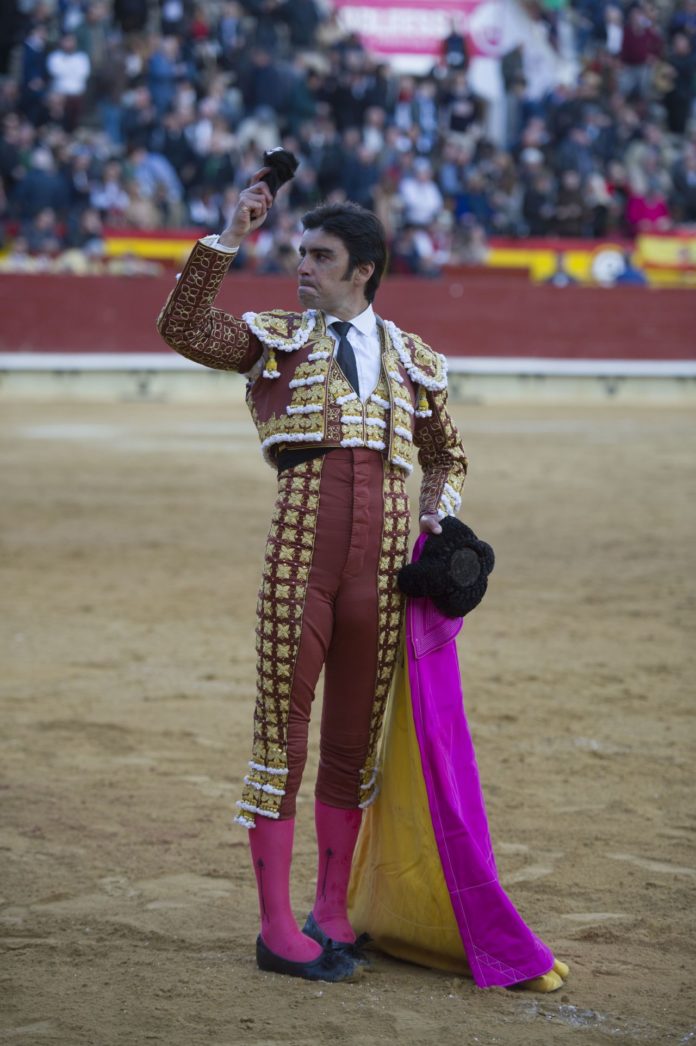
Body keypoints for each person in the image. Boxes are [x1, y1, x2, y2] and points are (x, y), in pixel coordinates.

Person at [156, 169, 467, 981]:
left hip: (385, 568)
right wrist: (229, 232)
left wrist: (438, 520)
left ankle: (329, 909)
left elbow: (445, 455)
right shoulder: (276, 338)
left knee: (351, 744)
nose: (303, 266)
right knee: (280, 738)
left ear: (363, 268)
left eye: (320, 256)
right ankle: (273, 928)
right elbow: (183, 327)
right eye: (299, 252)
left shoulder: (414, 358)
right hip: (303, 552)